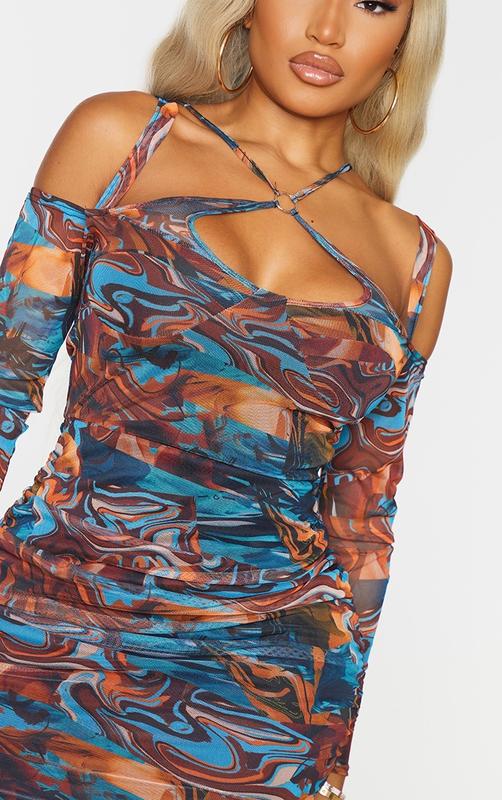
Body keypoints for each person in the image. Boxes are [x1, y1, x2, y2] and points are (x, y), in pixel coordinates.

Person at [0, 1, 452, 798]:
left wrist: (333, 749)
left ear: (401, 46)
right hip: (44, 637)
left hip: (260, 701)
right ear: (244, 10)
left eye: (374, 3)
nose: (328, 28)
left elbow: (362, 520)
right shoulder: (121, 141)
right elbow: (5, 383)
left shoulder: (413, 265)